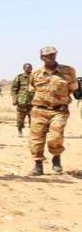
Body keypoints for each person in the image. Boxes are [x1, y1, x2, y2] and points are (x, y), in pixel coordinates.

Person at [28, 47, 78, 176]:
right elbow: (32, 89)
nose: (51, 57)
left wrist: (60, 98)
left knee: (56, 137)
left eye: (53, 55)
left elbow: (72, 88)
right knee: (36, 139)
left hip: (59, 111)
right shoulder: (36, 74)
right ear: (42, 58)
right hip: (39, 110)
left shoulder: (68, 71)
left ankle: (56, 159)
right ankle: (38, 164)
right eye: (47, 56)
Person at [10, 63, 34, 137]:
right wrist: (14, 98)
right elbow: (14, 89)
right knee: (20, 118)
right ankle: (20, 131)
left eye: (30, 67)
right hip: (22, 101)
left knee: (33, 119)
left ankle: (33, 133)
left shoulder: (35, 77)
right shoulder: (19, 77)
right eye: (27, 67)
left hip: (33, 101)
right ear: (24, 68)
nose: (29, 69)